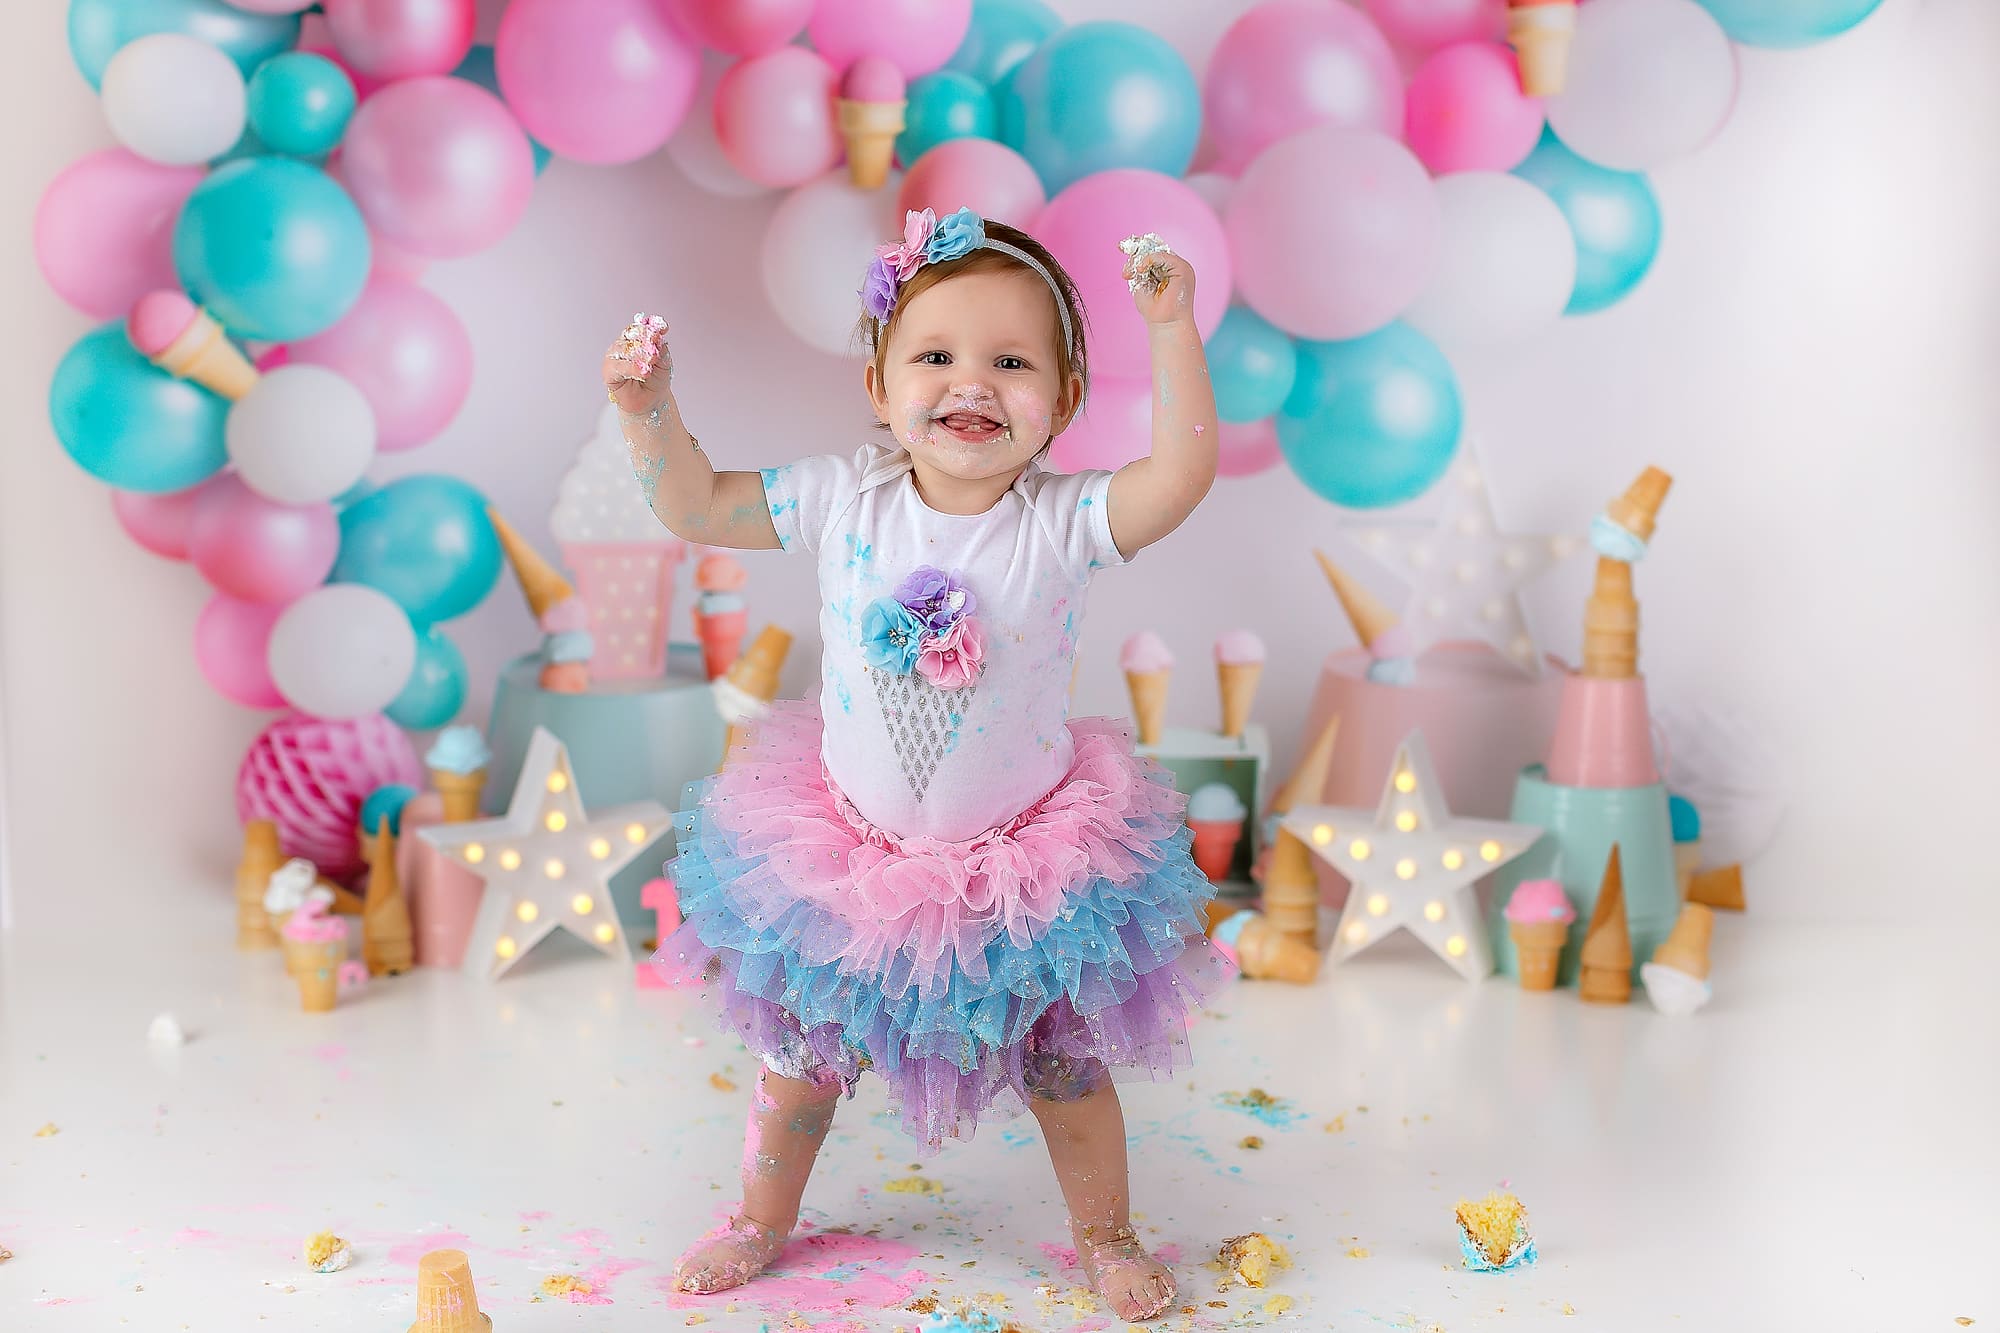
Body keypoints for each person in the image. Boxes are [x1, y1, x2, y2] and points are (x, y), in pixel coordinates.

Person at [603, 208, 1228, 1323]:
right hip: (852, 861)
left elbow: (1178, 476)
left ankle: (1105, 1230)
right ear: (879, 385)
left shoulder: (1062, 520)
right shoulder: (842, 498)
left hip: (1021, 868)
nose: (968, 383)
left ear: (1064, 401)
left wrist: (1170, 328)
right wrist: (649, 414)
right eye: (933, 356)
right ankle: (757, 1216)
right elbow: (694, 502)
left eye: (1010, 362)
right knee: (798, 1062)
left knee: (1064, 1068)